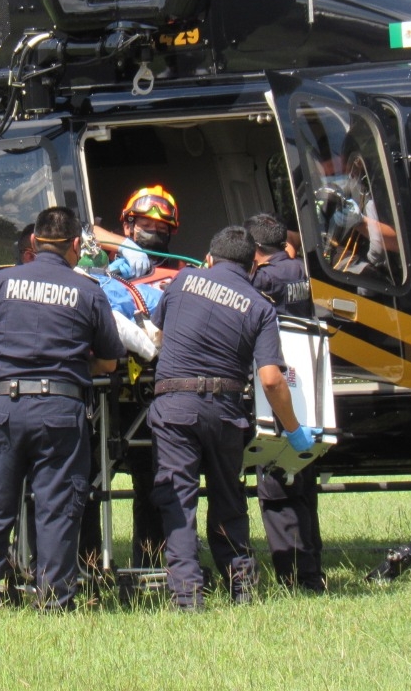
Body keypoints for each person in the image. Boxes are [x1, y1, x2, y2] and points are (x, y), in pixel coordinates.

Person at [0, 206, 127, 612]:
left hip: (3, 410)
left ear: (33, 242)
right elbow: (110, 361)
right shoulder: (87, 290)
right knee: (57, 508)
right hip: (59, 410)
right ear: (75, 247)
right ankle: (54, 601)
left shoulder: (0, 281)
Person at [147, 226, 319, 610]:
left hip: (175, 406)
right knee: (228, 499)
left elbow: (155, 335)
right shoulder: (259, 306)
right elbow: (272, 379)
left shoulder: (181, 282)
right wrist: (293, 431)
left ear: (209, 258)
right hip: (225, 412)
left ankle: (188, 596)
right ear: (251, 266)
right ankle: (241, 588)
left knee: (178, 499)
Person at [244, 213, 326, 594]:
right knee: (303, 481)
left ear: (255, 249)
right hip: (306, 385)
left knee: (278, 485)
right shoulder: (301, 270)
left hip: (276, 383)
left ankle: (298, 580)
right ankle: (313, 569)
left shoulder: (263, 279)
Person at [91, 185, 181, 282]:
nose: (153, 231)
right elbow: (87, 232)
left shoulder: (178, 269)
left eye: (161, 228)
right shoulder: (111, 254)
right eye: (146, 225)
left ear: (170, 232)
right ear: (127, 228)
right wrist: (124, 246)